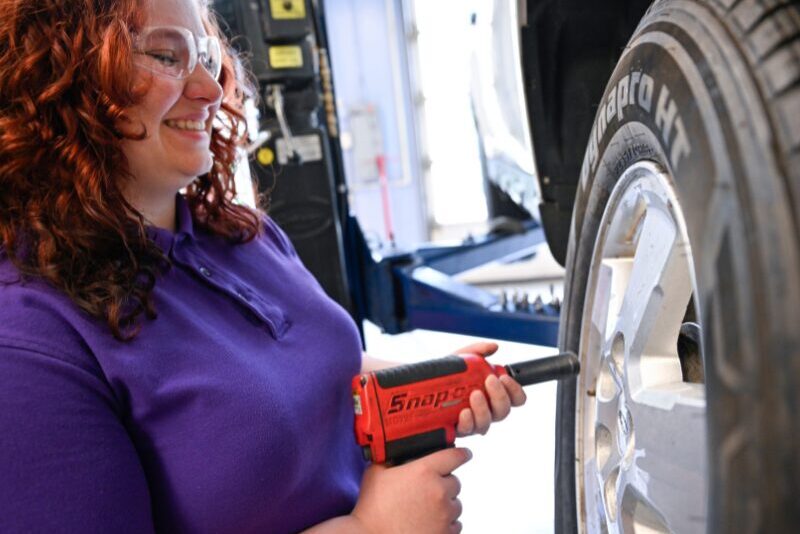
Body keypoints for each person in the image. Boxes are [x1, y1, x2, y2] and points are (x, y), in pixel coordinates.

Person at [0, 0, 526, 532]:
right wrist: (372, 529)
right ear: (57, 84)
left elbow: (318, 371)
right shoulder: (28, 339)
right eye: (166, 55)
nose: (209, 88)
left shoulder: (238, 235)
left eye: (206, 55)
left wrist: (435, 384)